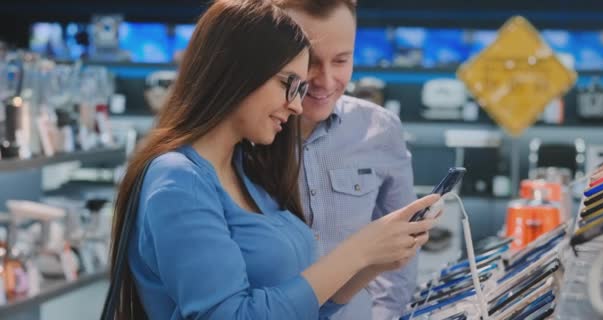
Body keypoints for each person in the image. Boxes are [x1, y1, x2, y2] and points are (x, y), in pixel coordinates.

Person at [108, 0, 439, 319]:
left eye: (340, 61)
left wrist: (372, 263)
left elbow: (297, 305)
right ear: (237, 72)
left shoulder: (245, 171)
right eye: (288, 83)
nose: (296, 105)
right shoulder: (177, 180)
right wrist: (357, 253)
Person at [274, 1, 420, 319]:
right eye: (310, 61)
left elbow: (400, 255)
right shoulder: (247, 137)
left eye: (341, 60)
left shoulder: (380, 129)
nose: (326, 81)